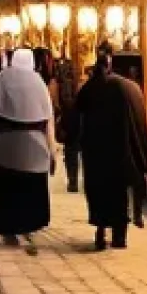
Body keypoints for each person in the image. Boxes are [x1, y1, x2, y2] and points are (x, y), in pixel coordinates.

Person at [76, 48, 147, 250]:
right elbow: (139, 127)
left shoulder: (90, 88)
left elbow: (77, 114)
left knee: (99, 194)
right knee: (118, 193)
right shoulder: (128, 88)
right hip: (119, 152)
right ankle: (119, 237)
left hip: (95, 152)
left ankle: (101, 231)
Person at [0, 47, 55, 246]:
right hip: (35, 147)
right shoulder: (38, 83)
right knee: (30, 188)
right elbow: (47, 119)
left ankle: (7, 224)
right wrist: (52, 152)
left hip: (6, 146)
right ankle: (30, 223)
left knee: (7, 187)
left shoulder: (2, 79)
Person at [54, 56, 82, 193]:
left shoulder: (62, 82)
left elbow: (62, 101)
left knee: (71, 151)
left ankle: (73, 181)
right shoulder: (77, 83)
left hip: (68, 116)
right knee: (75, 150)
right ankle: (74, 180)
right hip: (77, 117)